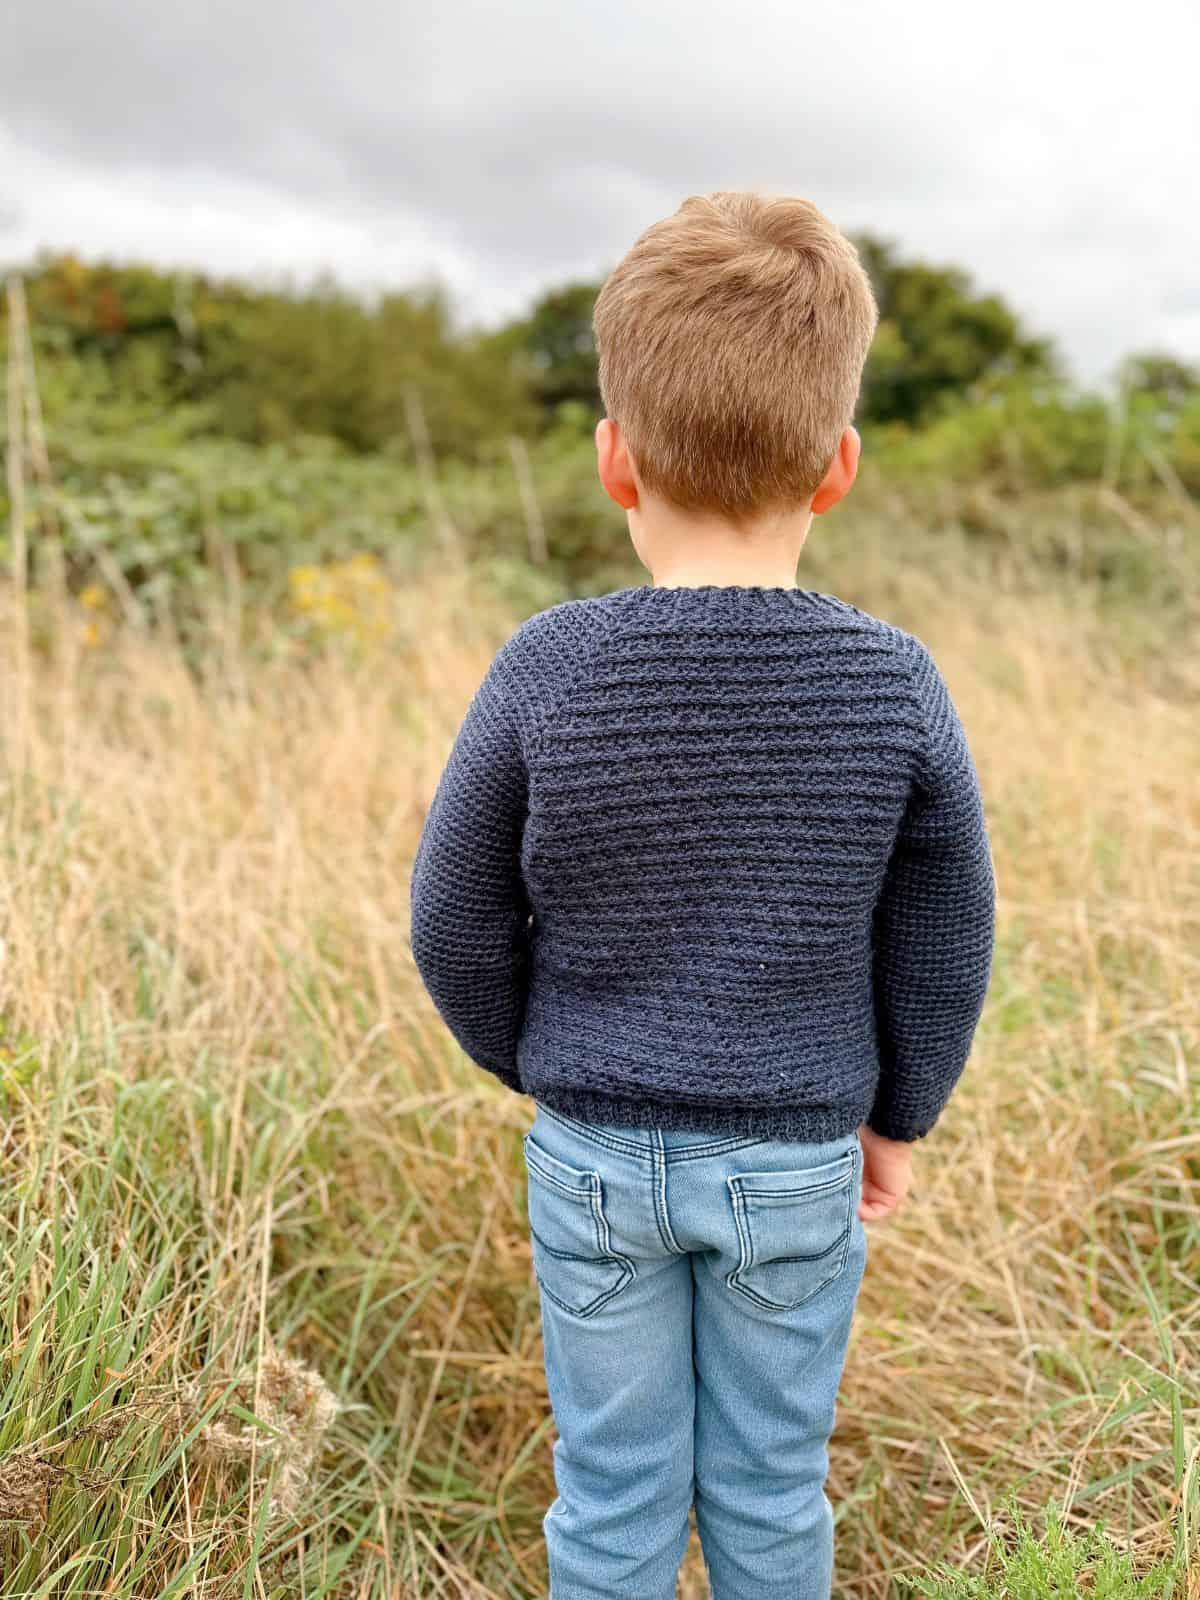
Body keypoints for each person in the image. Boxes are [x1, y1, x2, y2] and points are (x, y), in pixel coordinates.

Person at [409, 190, 996, 1600]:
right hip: (797, 1160)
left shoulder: (546, 665)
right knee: (771, 1487)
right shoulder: (892, 682)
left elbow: (453, 914)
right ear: (839, 464)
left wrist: (538, 1057)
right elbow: (944, 931)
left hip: (594, 1152)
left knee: (610, 1496)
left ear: (616, 458)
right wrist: (897, 1113)